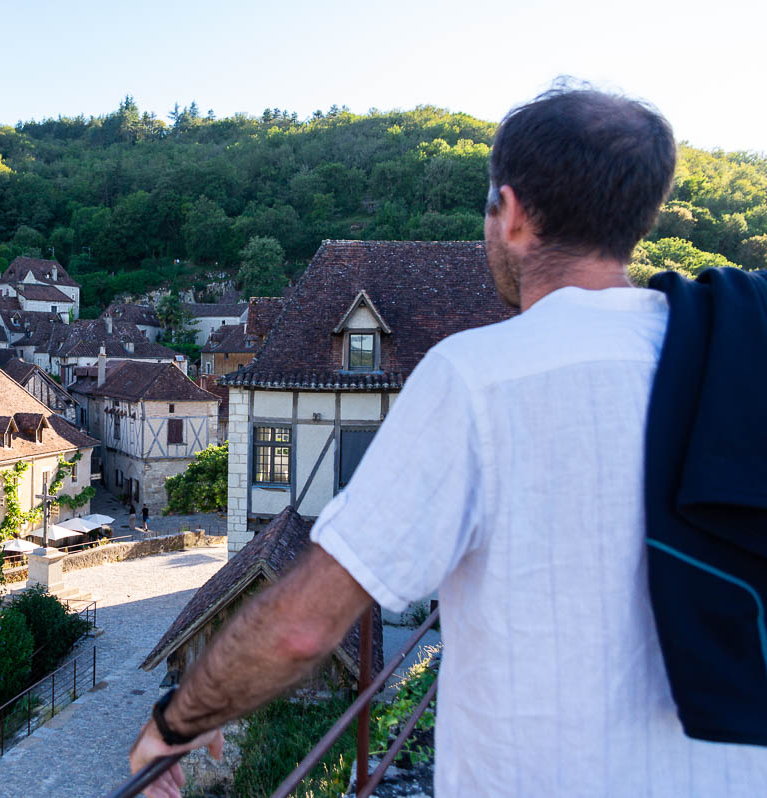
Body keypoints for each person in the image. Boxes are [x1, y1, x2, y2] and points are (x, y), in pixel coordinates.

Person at [128, 86, 767, 798]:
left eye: (490, 205)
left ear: (515, 215)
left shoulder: (478, 377)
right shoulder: (729, 362)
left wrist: (176, 720)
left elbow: (303, 627)